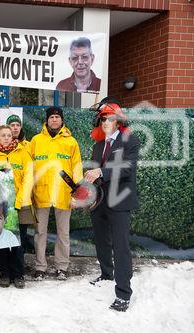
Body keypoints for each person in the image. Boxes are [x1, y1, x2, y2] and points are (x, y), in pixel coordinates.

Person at [84, 100, 140, 312]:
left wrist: (101, 172)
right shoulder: (99, 145)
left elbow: (127, 169)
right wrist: (89, 196)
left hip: (120, 202)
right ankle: (107, 273)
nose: (105, 122)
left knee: (121, 246)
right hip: (100, 202)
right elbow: (95, 176)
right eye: (102, 119)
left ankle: (123, 293)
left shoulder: (130, 141)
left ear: (118, 121)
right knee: (101, 241)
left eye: (109, 119)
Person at [30, 107, 83, 281]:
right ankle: (40, 266)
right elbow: (29, 166)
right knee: (40, 233)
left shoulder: (71, 142)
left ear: (61, 120)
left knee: (63, 233)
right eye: (51, 117)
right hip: (41, 193)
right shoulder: (36, 140)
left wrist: (77, 193)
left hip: (64, 194)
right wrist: (28, 191)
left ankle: (62, 267)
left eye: (57, 117)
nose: (54, 120)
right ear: (47, 120)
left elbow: (77, 168)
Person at [0, 125, 34, 288]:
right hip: (0, 206)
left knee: (18, 242)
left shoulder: (23, 153)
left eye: (9, 135)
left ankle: (18, 274)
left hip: (21, 204)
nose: (7, 138)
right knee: (1, 242)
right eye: (3, 135)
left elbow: (29, 178)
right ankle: (5, 274)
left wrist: (19, 200)